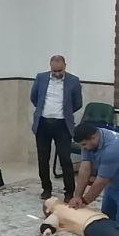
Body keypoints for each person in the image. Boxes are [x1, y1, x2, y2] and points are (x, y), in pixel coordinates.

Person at [30, 55, 83, 199]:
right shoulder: (41, 77)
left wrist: (65, 112)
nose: (57, 74)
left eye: (60, 71)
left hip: (62, 125)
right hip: (43, 123)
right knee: (43, 159)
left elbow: (78, 103)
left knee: (65, 159)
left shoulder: (73, 80)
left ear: (65, 66)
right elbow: (34, 98)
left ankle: (69, 192)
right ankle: (46, 189)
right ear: (50, 67)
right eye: (54, 71)